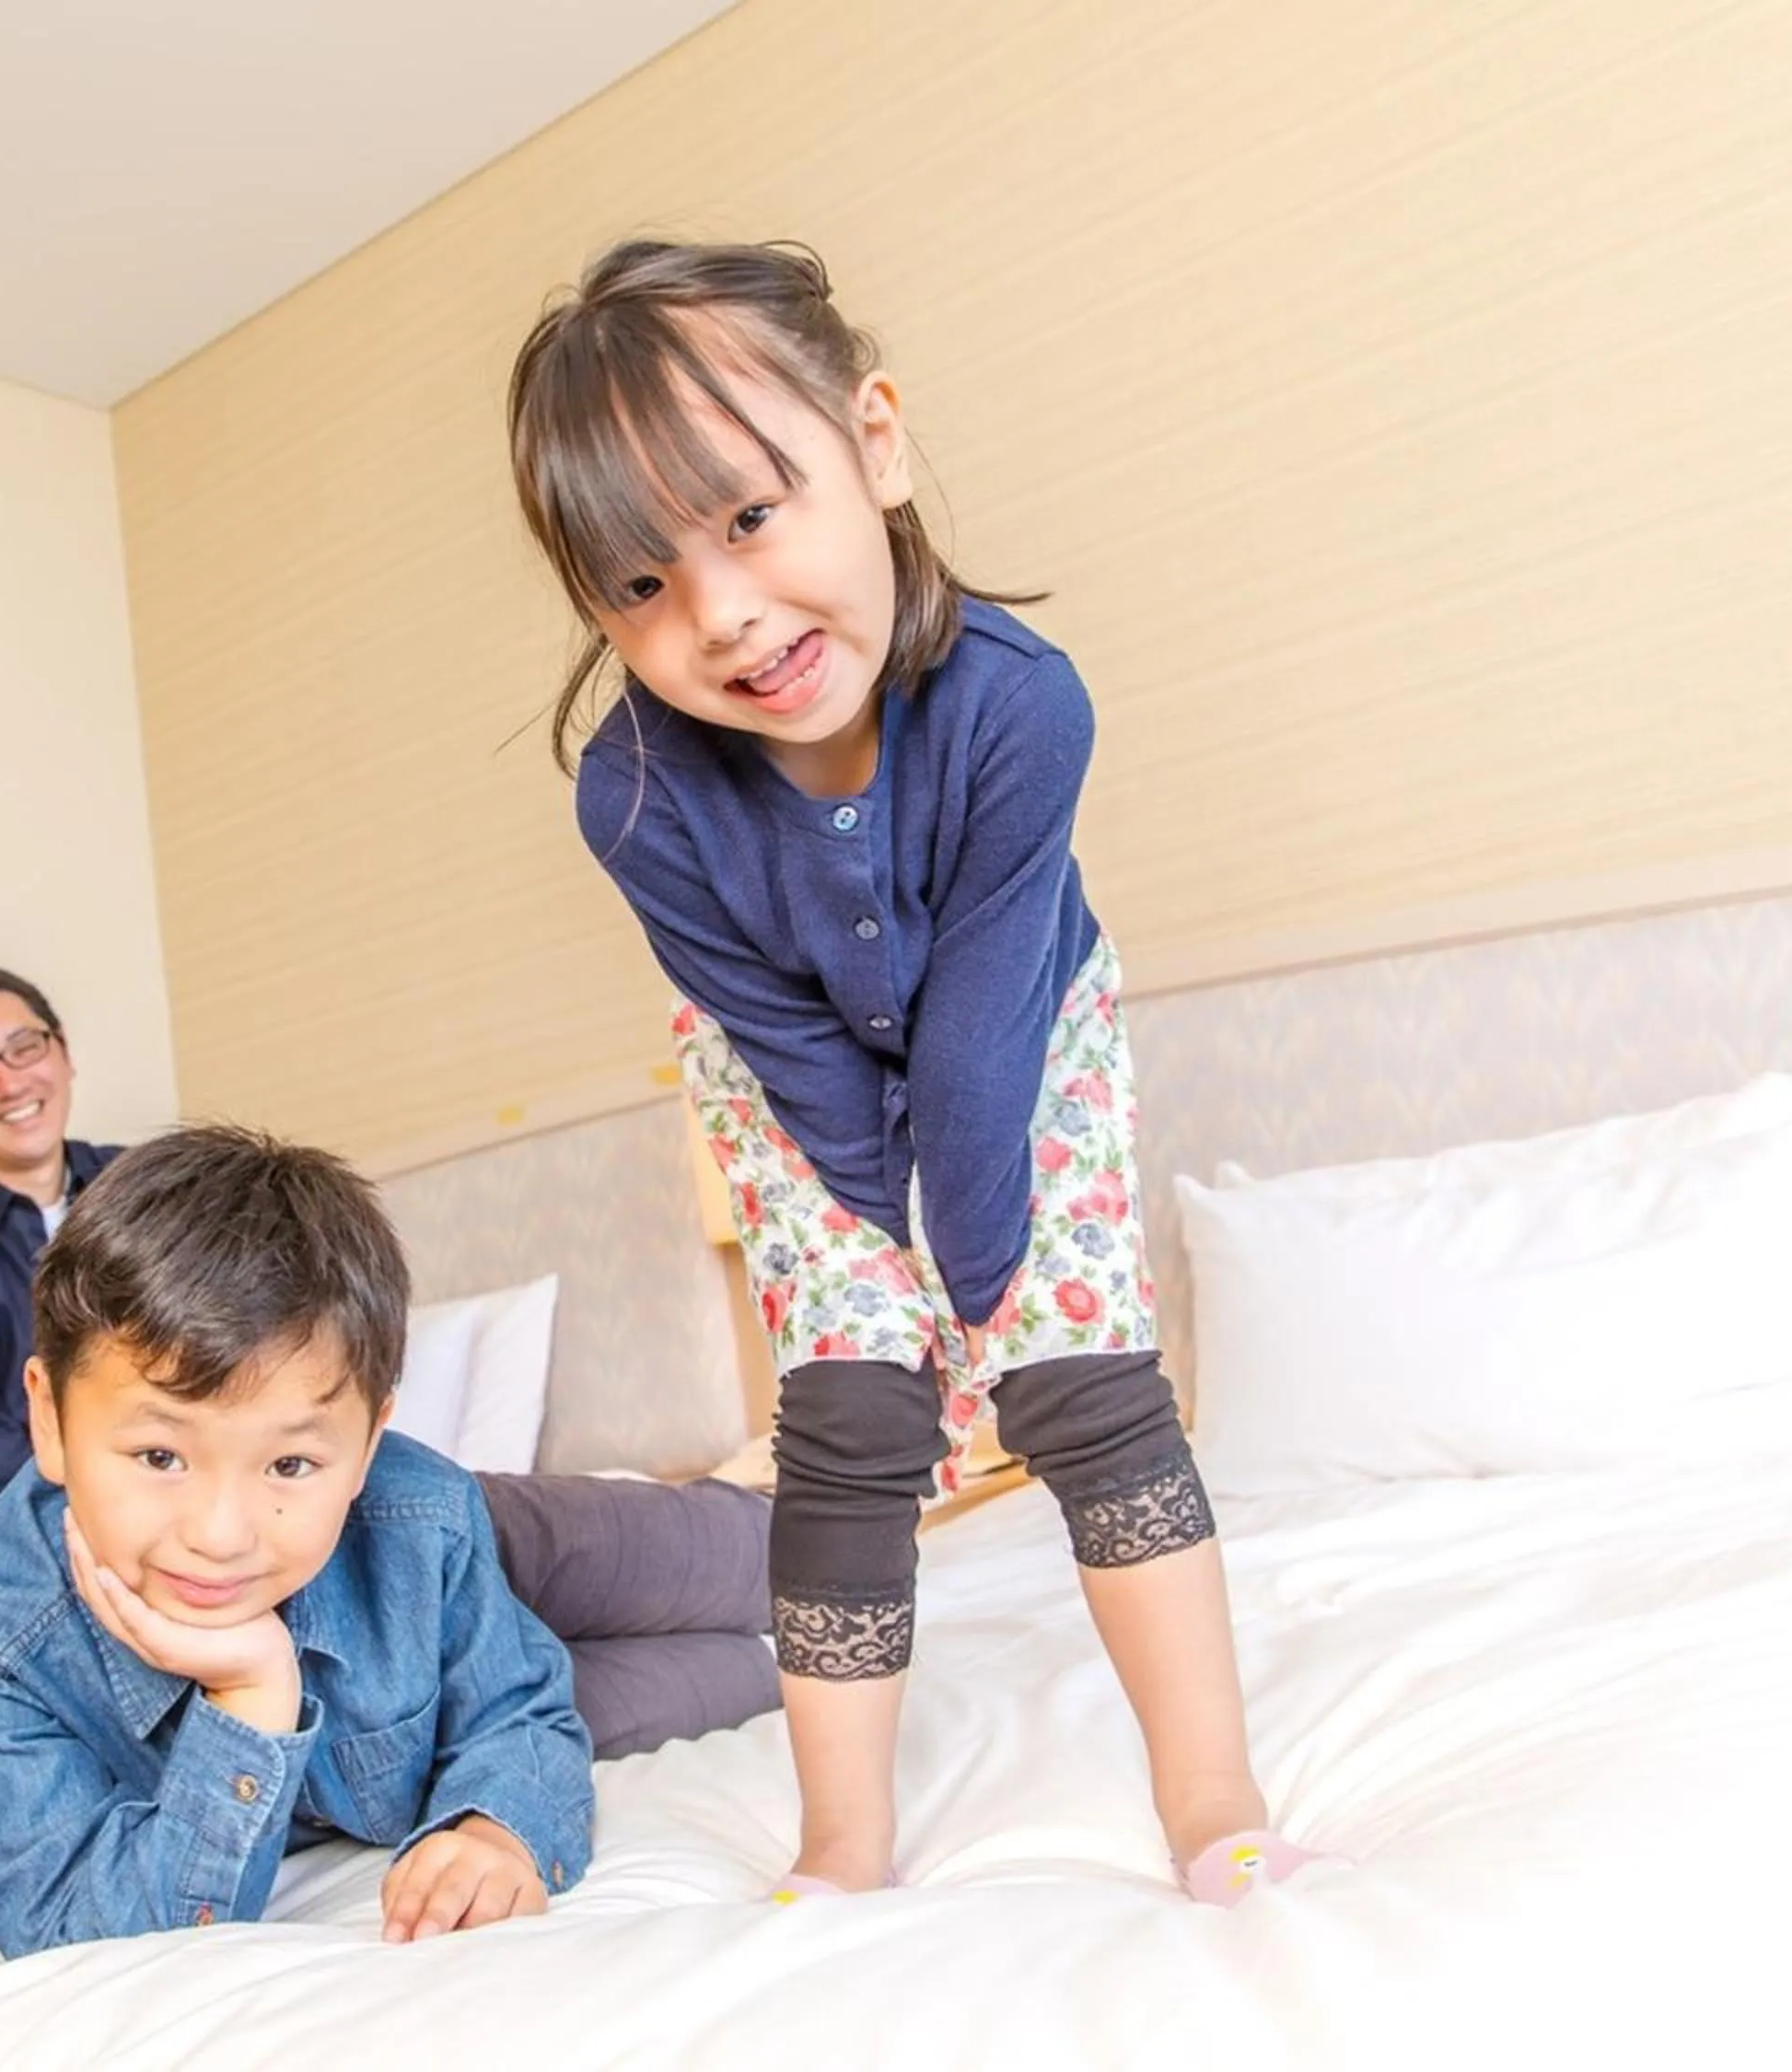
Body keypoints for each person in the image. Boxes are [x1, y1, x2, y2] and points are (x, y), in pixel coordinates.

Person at [506, 239, 1315, 1905]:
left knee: (1083, 1384)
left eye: (750, 516)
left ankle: (1211, 1794)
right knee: (850, 1425)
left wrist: (984, 1279)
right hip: (788, 1085)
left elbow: (981, 1025)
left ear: (873, 443)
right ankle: (844, 1840)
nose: (722, 614)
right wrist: (896, 1278)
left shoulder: (1024, 708)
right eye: (640, 584)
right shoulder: (634, 800)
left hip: (1022, 1026)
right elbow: (786, 1038)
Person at [0, 963, 781, 1760]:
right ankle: (761, 1659)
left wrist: (290, 1483)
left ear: (62, 1054)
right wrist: (150, 1524)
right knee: (565, 1688)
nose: (8, 1081)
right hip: (86, 1546)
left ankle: (796, 1566)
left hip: (325, 1512)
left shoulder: (157, 1184)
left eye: (23, 1047)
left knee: (643, 1548)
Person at [0, 1125, 592, 1953]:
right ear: (47, 1418)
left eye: (289, 1464)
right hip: (436, 1554)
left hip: (522, 1525)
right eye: (160, 1456)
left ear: (368, 1442)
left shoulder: (422, 1516)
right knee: (663, 1682)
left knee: (710, 1567)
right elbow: (75, 1932)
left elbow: (517, 1711)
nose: (220, 1536)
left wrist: (496, 1832)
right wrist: (252, 1697)